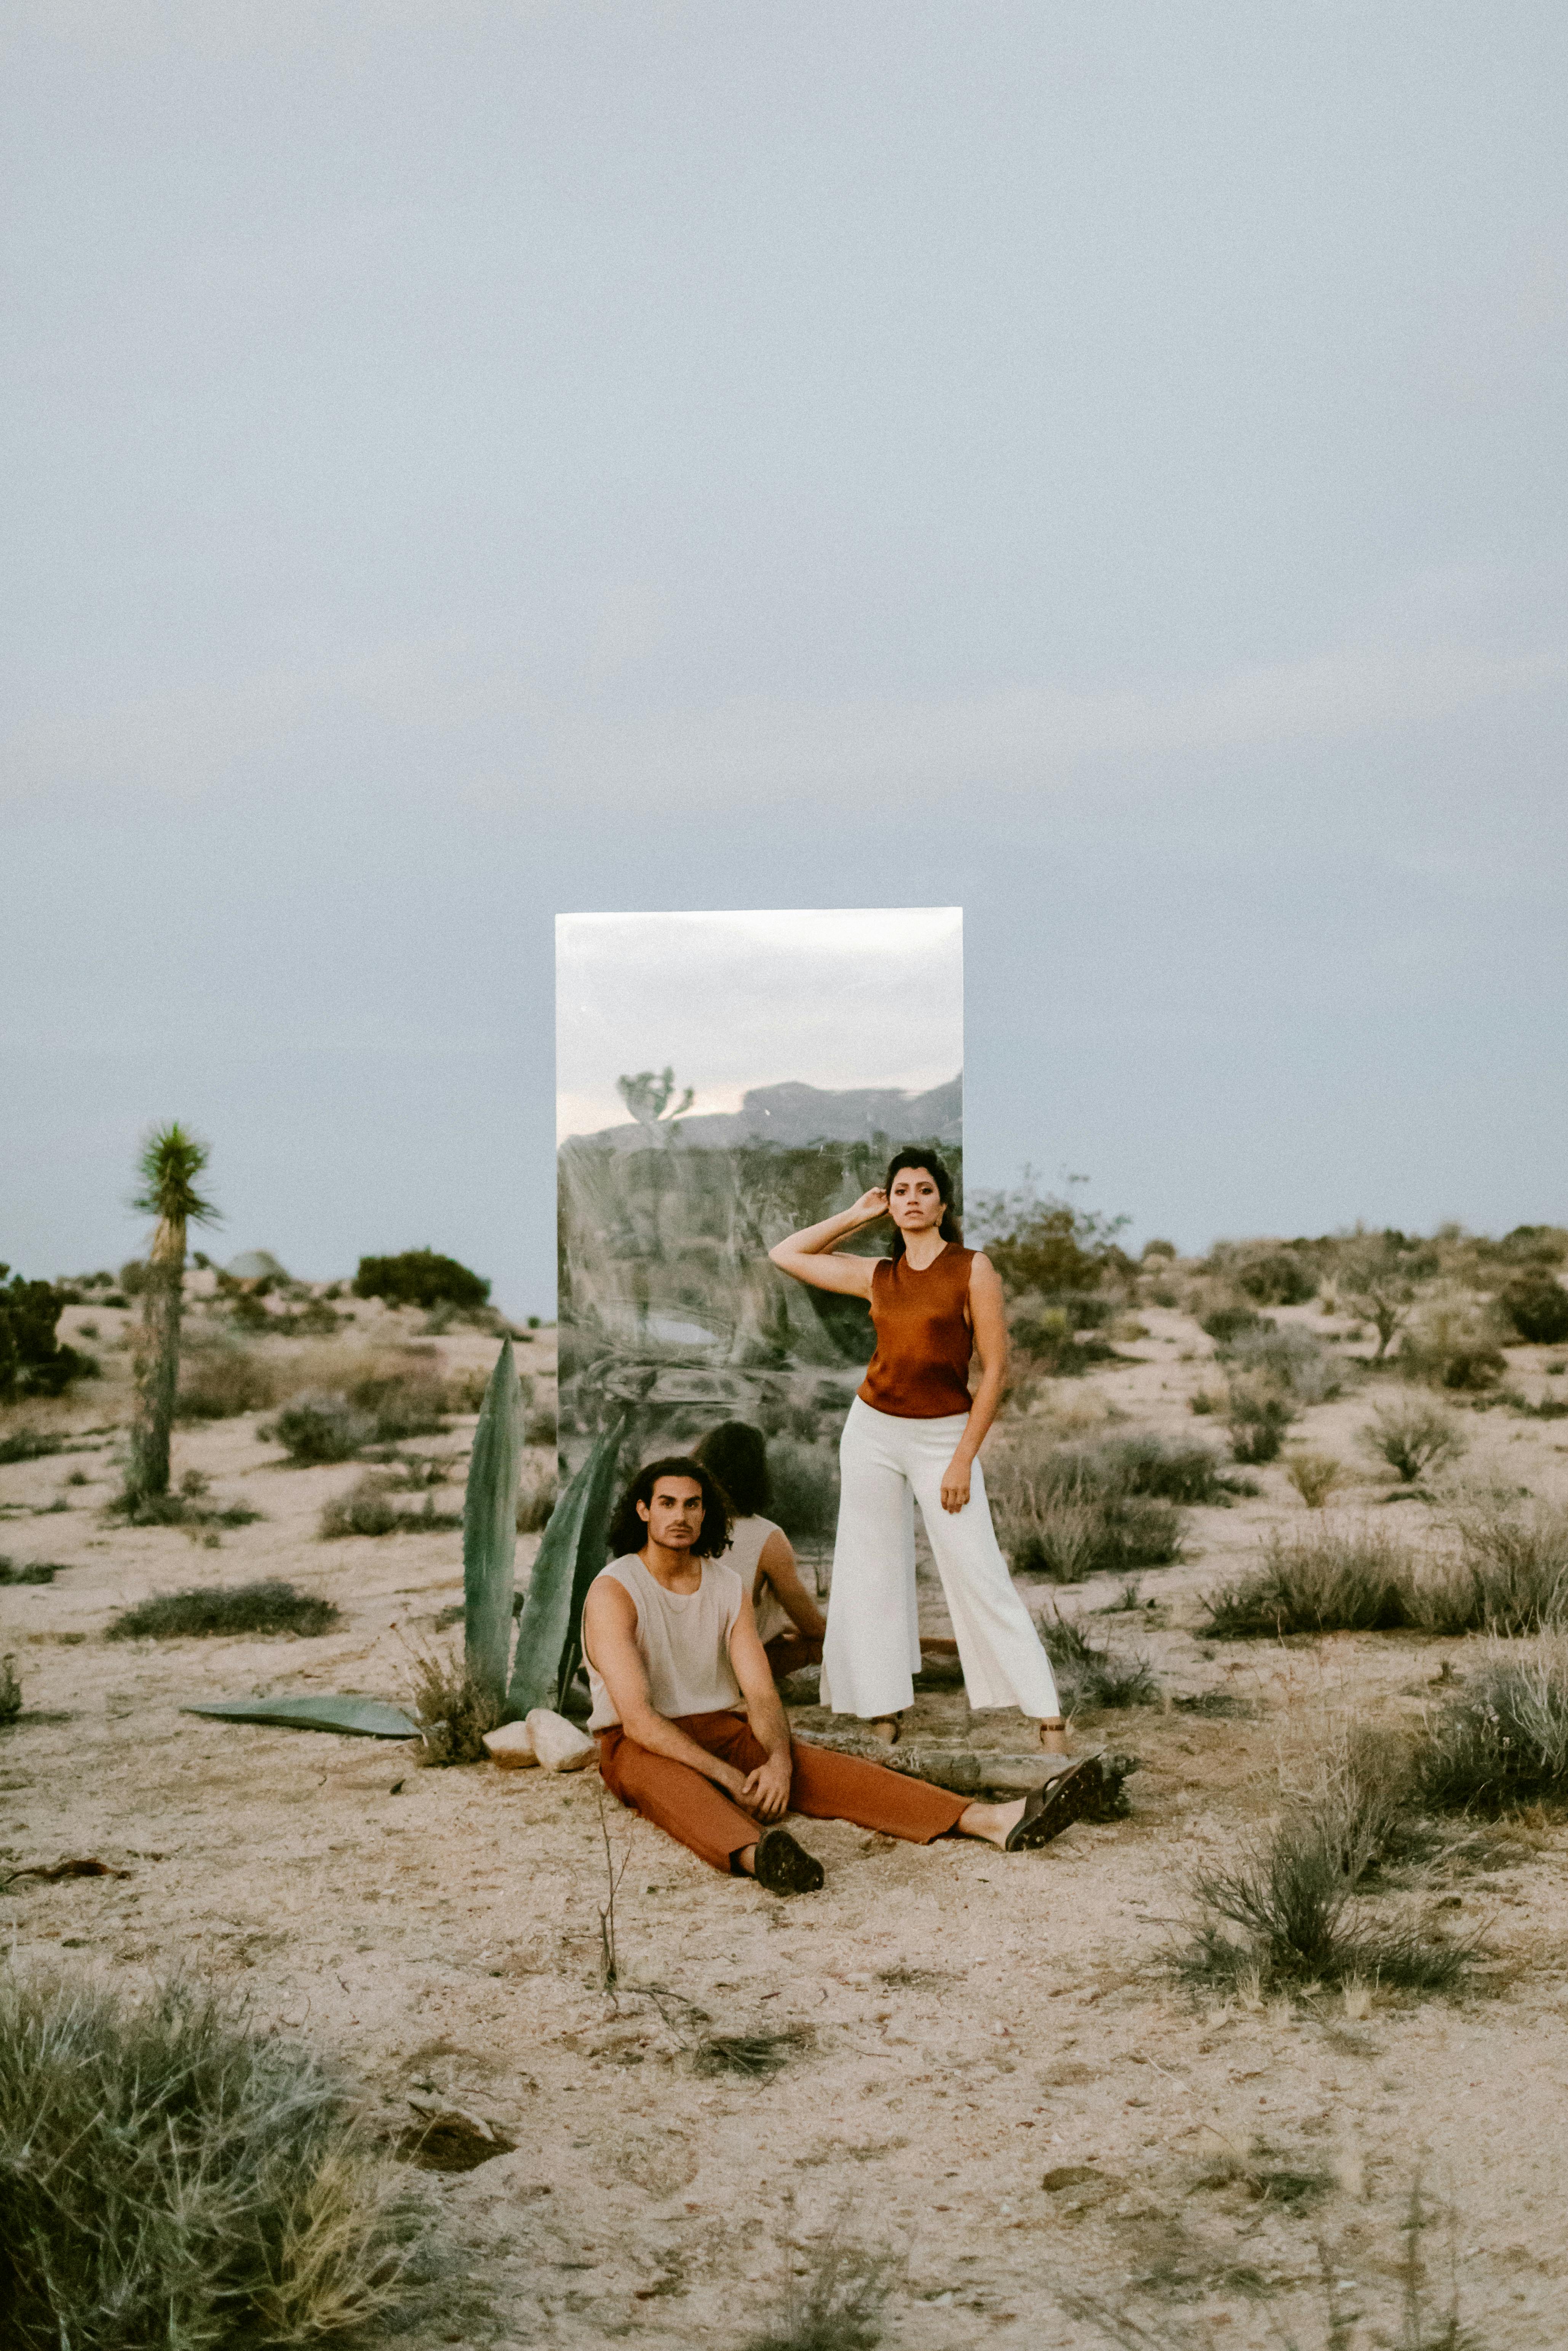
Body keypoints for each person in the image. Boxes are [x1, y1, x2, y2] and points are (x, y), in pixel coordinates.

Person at [581, 1457, 1100, 1893]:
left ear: (707, 1513)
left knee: (829, 1771)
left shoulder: (724, 1585)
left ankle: (992, 1820)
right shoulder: (616, 1590)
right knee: (672, 1785)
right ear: (643, 1511)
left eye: (692, 1504)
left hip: (721, 1725)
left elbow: (761, 1693)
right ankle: (759, 1857)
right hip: (634, 1743)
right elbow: (640, 1720)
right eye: (667, 1503)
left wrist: (779, 1762)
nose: (681, 1516)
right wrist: (728, 1777)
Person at [768, 1148, 1068, 1753]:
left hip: (942, 1437)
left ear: (943, 1202)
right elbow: (786, 1255)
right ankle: (882, 1712)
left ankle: (1049, 1720)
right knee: (871, 1568)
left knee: (978, 1568)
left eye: (923, 1189)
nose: (911, 1198)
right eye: (900, 1190)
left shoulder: (972, 1269)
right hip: (873, 1430)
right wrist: (856, 1214)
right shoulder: (877, 1274)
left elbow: (996, 1369)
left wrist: (961, 1460)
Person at [691, 1419, 826, 1682]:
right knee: (831, 1647)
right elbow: (812, 1627)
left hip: (688, 1663)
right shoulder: (767, 1537)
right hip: (740, 1665)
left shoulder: (684, 1526)